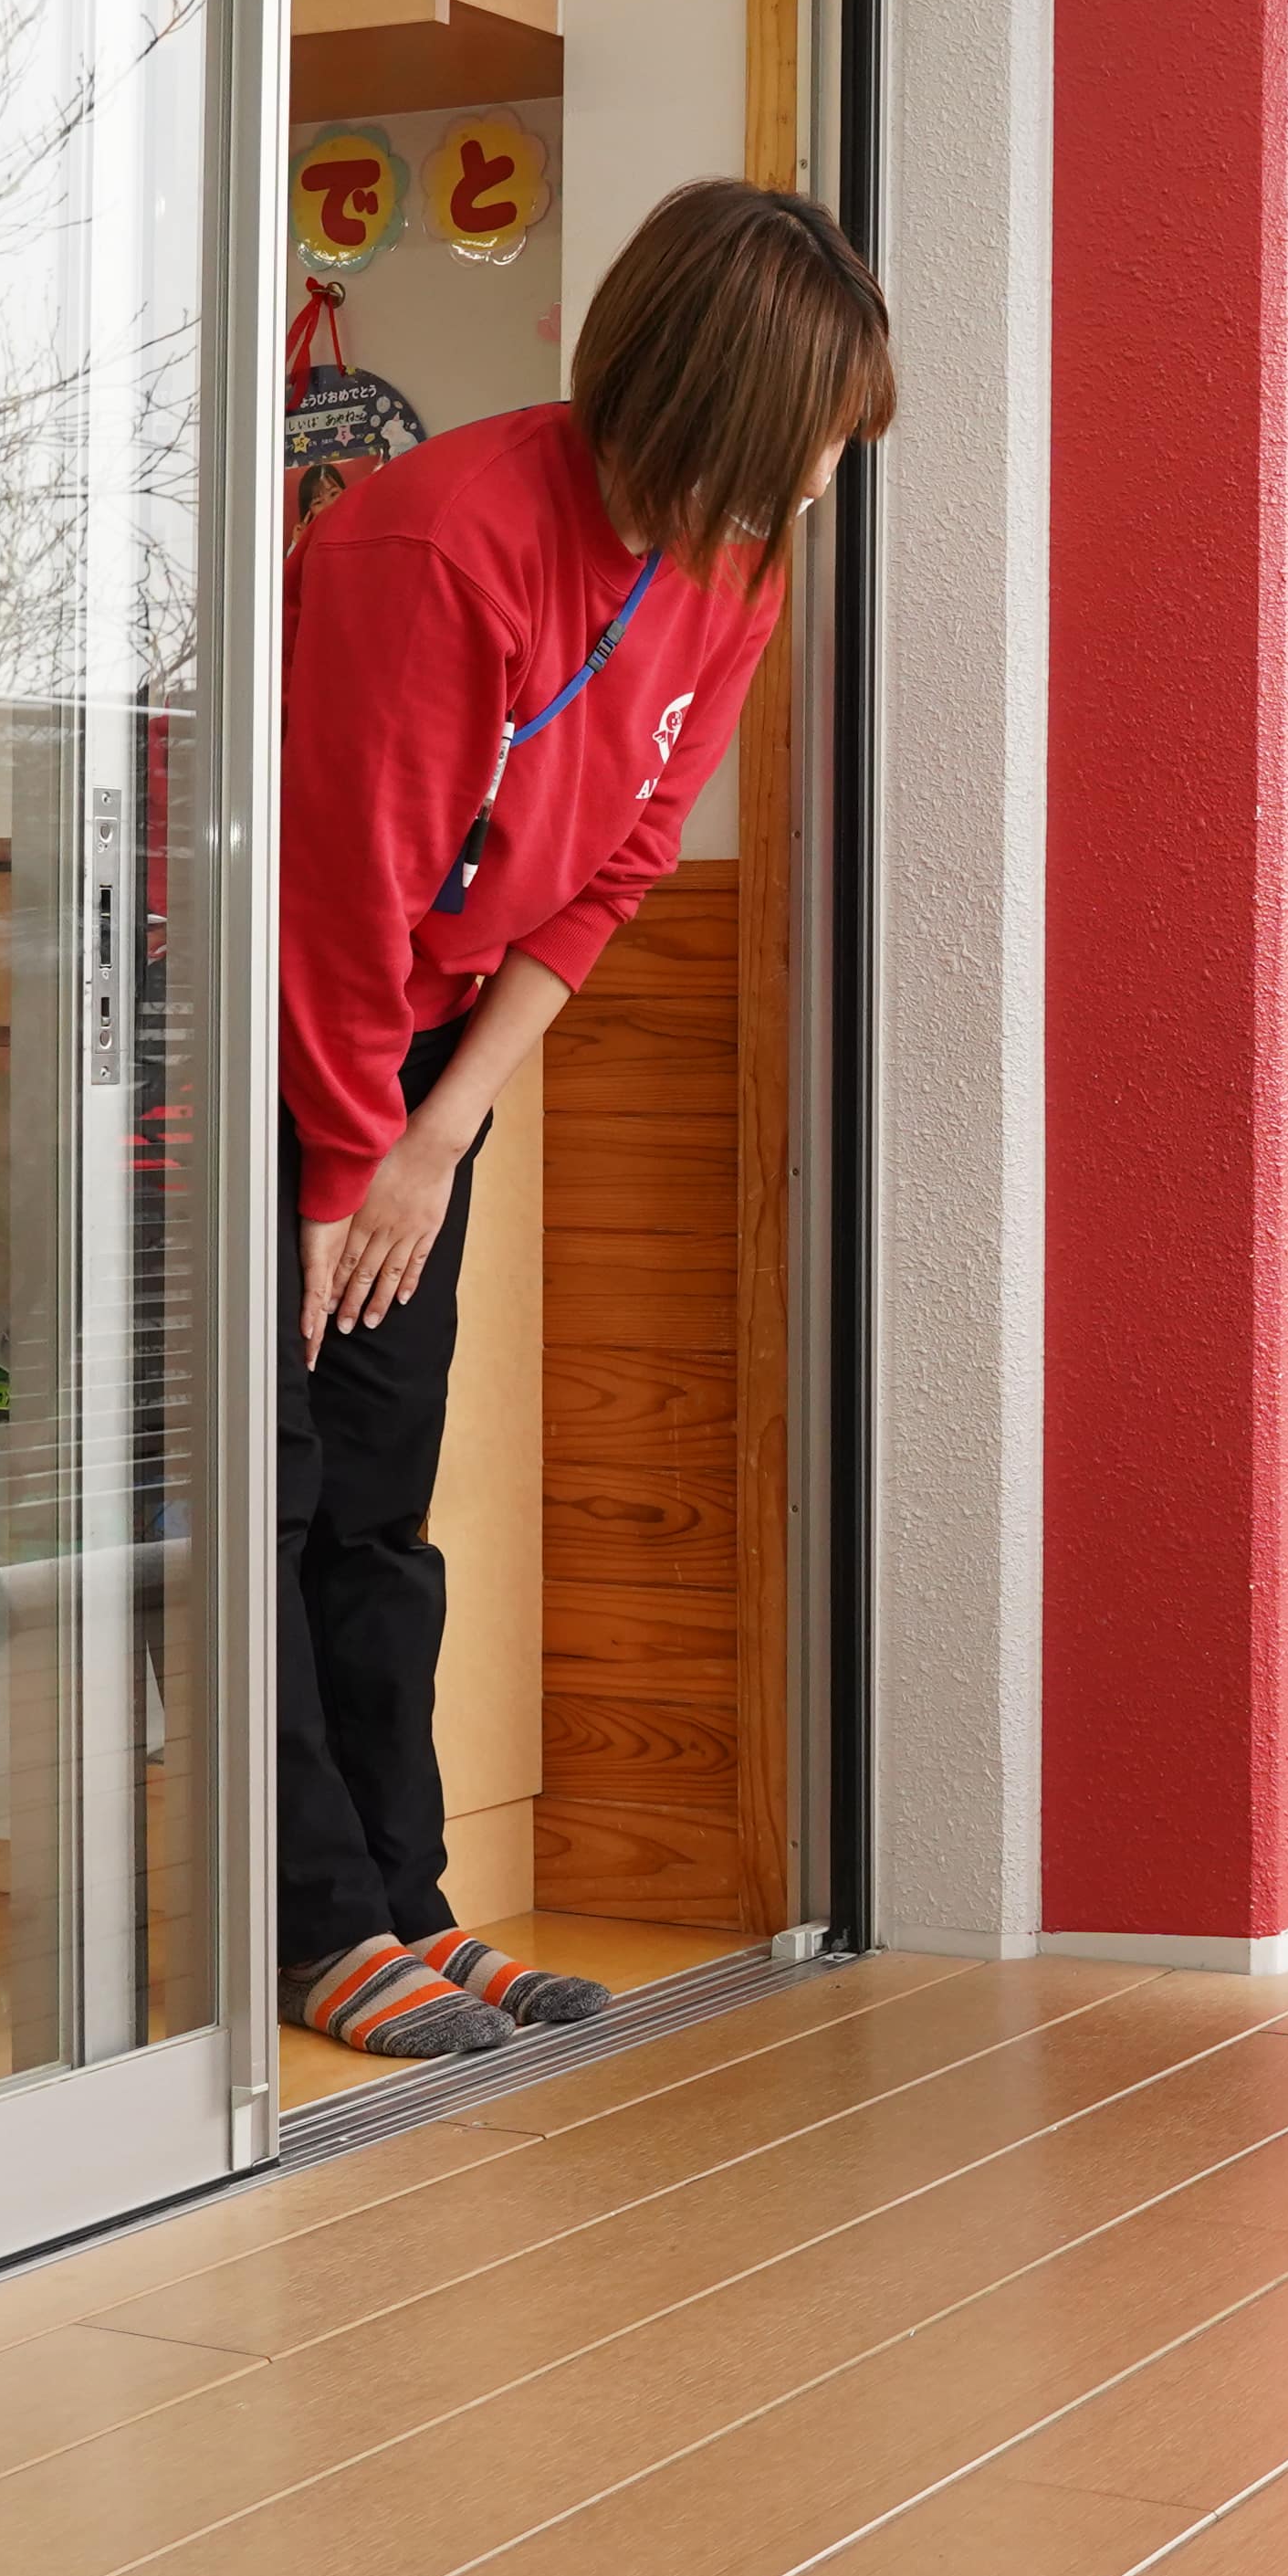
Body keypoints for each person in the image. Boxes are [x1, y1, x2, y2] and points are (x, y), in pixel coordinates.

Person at [271, 180, 896, 2056]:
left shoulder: (730, 569)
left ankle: (409, 1898)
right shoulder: (441, 546)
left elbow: (619, 860)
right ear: (715, 396)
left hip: (422, 1071)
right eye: (805, 440)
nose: (812, 485)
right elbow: (337, 897)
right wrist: (333, 1161)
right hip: (296, 1042)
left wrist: (438, 1134)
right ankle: (305, 1921)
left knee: (382, 1507)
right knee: (279, 1487)